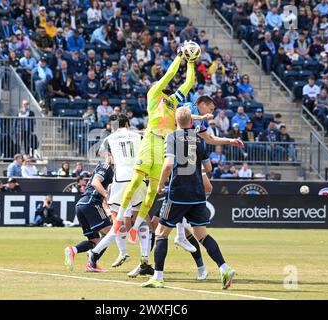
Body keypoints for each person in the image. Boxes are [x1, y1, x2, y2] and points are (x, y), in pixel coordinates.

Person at [113, 45, 243, 243]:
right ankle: (120, 219)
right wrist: (179, 56)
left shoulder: (174, 102)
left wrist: (191, 63)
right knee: (136, 181)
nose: (164, 83)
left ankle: (137, 226)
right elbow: (169, 74)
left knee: (152, 191)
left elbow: (189, 82)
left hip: (164, 145)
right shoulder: (154, 95)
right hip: (150, 140)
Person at [142, 107, 235, 289]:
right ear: (191, 122)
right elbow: (208, 168)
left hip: (178, 194)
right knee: (202, 235)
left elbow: (168, 165)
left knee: (161, 233)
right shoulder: (199, 140)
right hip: (197, 194)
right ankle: (224, 268)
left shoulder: (172, 137)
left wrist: (161, 184)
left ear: (176, 121)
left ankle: (158, 277)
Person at [87, 114, 152, 276]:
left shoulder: (110, 138)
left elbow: (106, 157)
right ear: (128, 123)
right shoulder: (139, 135)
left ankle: (95, 253)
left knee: (118, 222)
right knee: (142, 219)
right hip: (138, 178)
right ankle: (144, 260)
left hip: (120, 179)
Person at [64, 156, 114, 273]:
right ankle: (92, 263)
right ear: (109, 156)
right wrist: (107, 195)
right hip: (91, 203)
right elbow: (96, 183)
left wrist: (108, 211)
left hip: (81, 204)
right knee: (110, 233)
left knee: (95, 241)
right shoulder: (105, 167)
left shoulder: (110, 171)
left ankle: (73, 250)